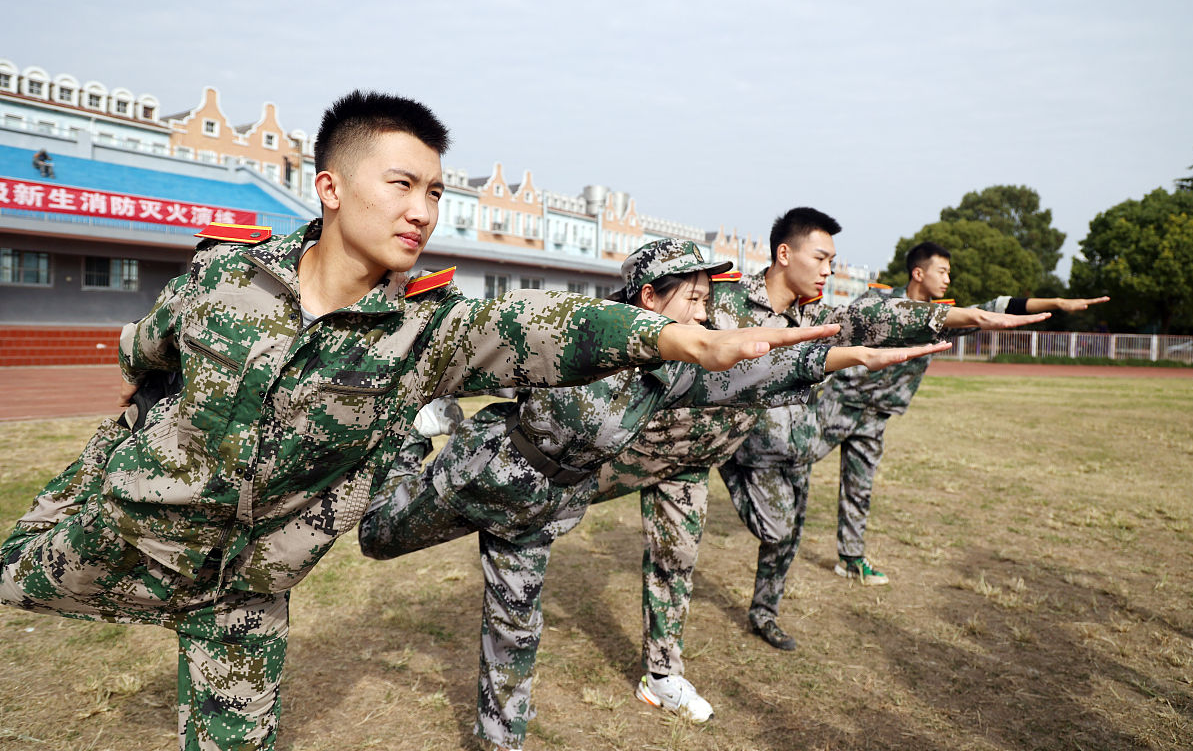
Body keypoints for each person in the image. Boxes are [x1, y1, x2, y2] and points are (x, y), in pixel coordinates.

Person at [0, 92, 814, 751]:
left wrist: (672, 337)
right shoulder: (223, 278)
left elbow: (544, 326)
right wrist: (132, 415)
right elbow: (145, 346)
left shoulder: (429, 333)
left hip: (243, 591)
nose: (423, 209)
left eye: (435, 192)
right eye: (401, 184)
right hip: (130, 533)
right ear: (330, 187)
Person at [358, 237, 952, 751]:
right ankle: (413, 435)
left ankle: (500, 740)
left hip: (543, 506)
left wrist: (850, 357)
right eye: (694, 300)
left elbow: (758, 373)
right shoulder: (575, 339)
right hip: (480, 472)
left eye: (705, 299)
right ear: (649, 298)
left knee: (515, 632)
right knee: (374, 537)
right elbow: (476, 350)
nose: (705, 311)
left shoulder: (671, 371)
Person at [591, 207, 1053, 714]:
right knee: (542, 505)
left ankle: (662, 675)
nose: (829, 268)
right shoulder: (721, 295)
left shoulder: (814, 319)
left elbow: (876, 316)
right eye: (822, 257)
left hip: (702, 459)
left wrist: (957, 315)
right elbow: (633, 311)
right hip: (636, 440)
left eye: (834, 259)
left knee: (677, 560)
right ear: (785, 254)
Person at [810, 241, 1109, 585]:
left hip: (878, 415)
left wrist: (1056, 302)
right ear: (918, 273)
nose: (948, 279)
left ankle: (850, 559)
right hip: (841, 403)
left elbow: (995, 307)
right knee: (794, 459)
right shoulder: (878, 302)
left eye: (949, 272)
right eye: (942, 271)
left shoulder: (943, 319)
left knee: (859, 488)